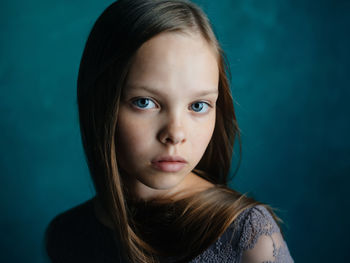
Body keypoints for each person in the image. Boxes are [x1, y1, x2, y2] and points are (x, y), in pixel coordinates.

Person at [45, 0, 294, 262]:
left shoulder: (248, 236)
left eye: (198, 105)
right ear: (100, 105)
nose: (175, 134)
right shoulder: (67, 235)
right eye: (145, 102)